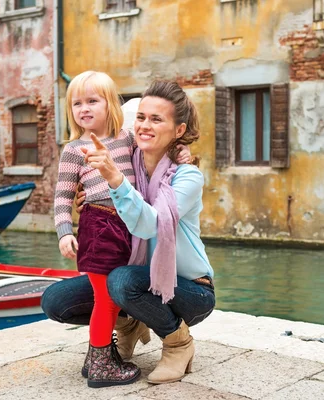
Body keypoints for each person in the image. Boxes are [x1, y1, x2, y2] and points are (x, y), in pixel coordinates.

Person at [43, 79, 215, 385]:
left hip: (190, 288)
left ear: (178, 131)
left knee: (121, 282)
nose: (145, 125)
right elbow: (76, 191)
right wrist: (93, 203)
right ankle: (131, 323)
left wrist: (114, 180)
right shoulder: (130, 156)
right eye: (142, 118)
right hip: (135, 271)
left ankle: (178, 343)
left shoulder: (186, 177)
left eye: (157, 119)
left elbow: (149, 223)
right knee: (57, 300)